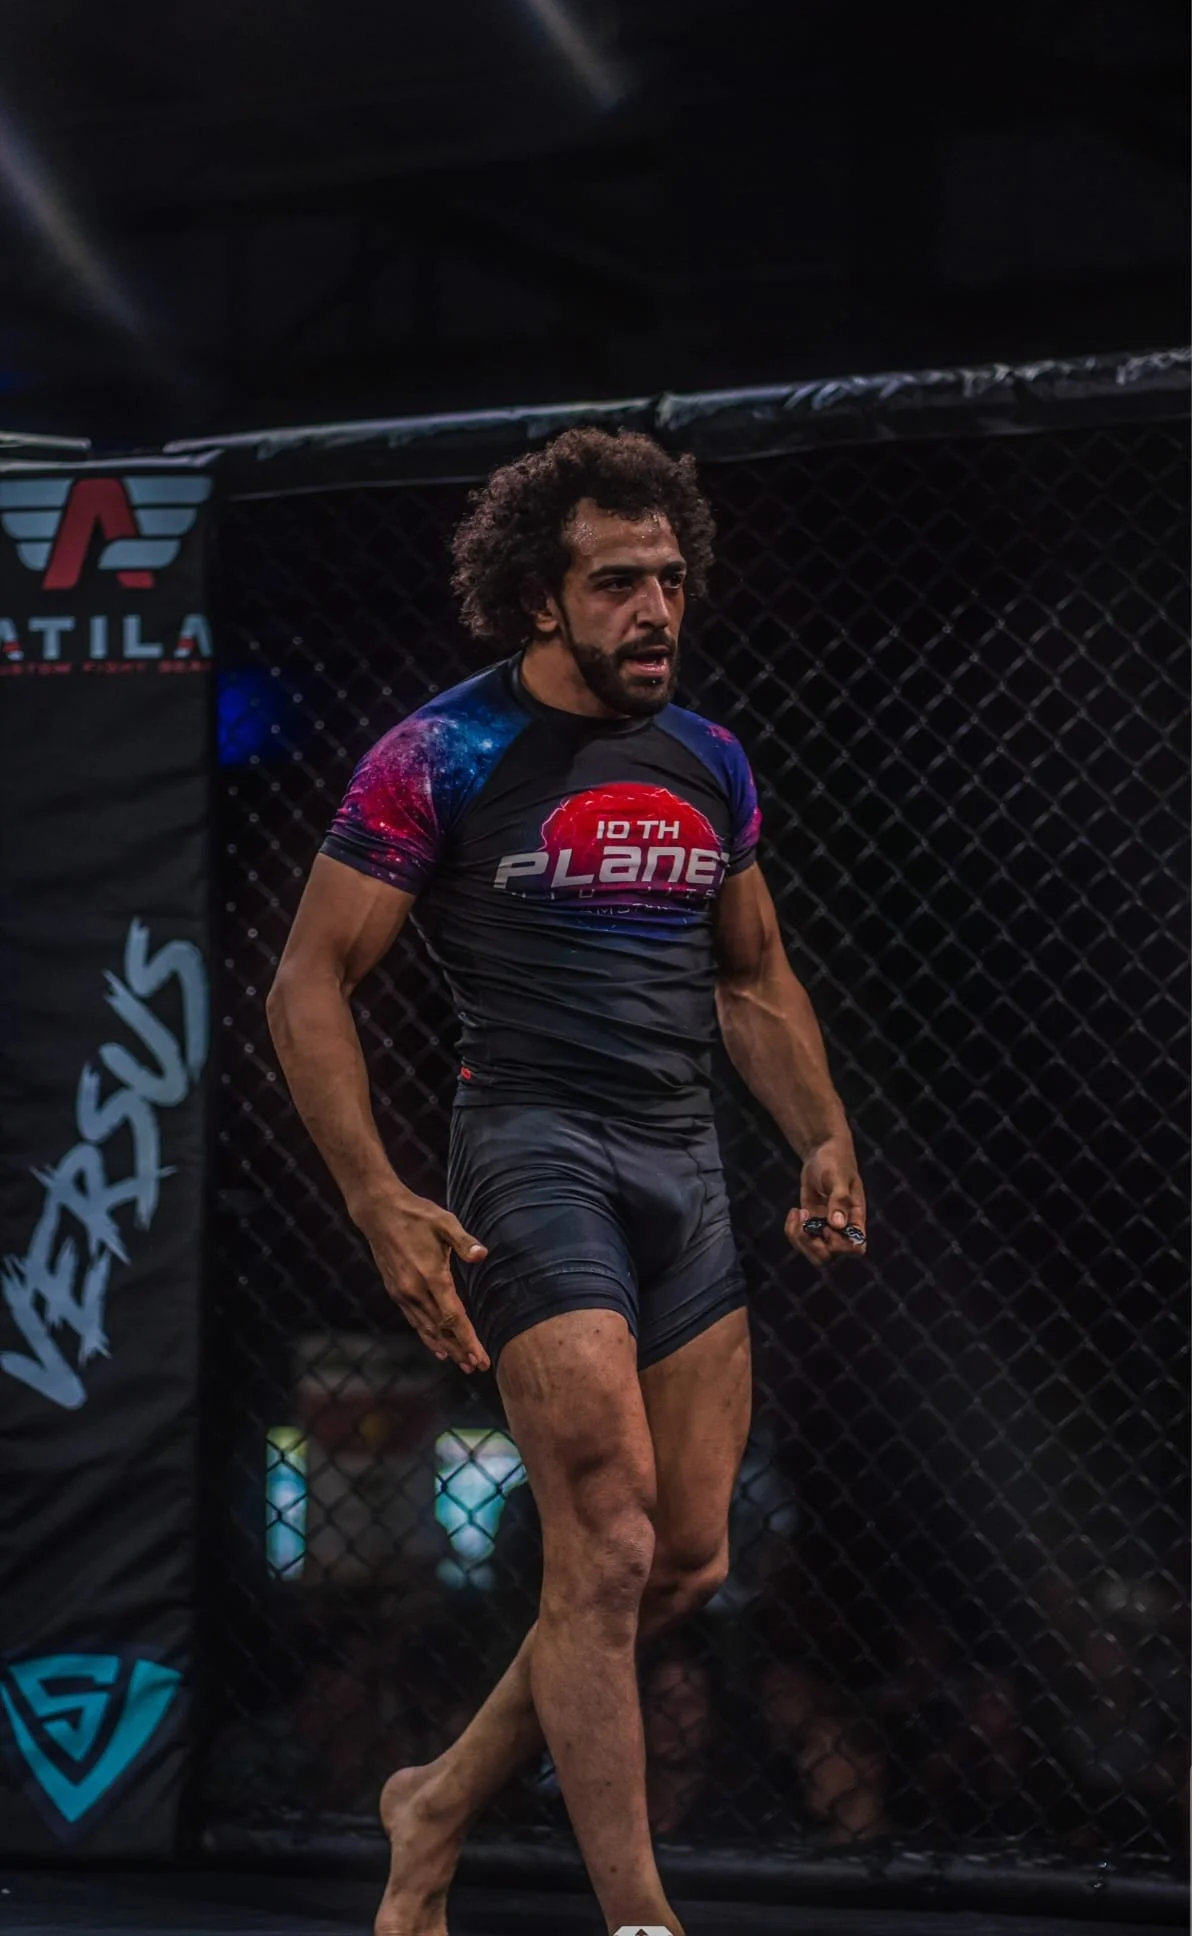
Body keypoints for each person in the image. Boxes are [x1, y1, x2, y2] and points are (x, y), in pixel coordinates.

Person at [266, 427, 868, 1936]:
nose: (655, 609)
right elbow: (308, 985)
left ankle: (438, 1799)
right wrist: (374, 1193)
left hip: (683, 1162)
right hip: (535, 1154)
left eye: (669, 579)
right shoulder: (442, 754)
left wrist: (823, 1132)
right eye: (617, 585)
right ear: (543, 598)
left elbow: (754, 975)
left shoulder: (709, 759)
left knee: (685, 1563)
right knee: (599, 1541)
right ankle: (640, 1918)